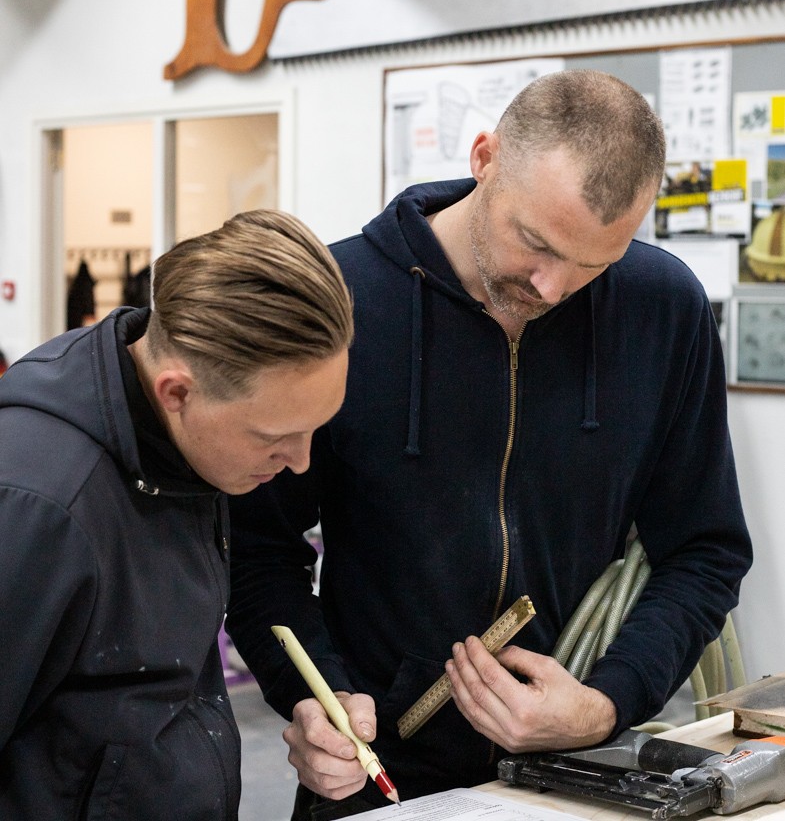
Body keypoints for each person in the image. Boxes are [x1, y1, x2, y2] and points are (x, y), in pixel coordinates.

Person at [226, 70, 753, 817]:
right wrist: (315, 696)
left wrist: (606, 702)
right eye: (534, 243)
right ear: (484, 158)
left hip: (577, 776)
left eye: (593, 264)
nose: (551, 288)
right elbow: (254, 549)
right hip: (376, 776)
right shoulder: (344, 302)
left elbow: (704, 551)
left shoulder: (661, 310)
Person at [0, 209, 353, 821]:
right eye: (274, 437)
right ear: (177, 392)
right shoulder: (41, 506)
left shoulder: (178, 444)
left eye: (315, 431)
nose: (300, 463)